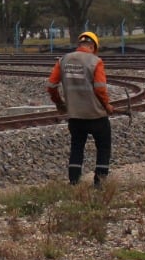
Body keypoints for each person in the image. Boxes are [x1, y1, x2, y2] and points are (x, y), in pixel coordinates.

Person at [46, 30, 115, 186]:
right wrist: (107, 105)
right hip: (96, 115)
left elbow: (51, 86)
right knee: (103, 147)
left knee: (77, 147)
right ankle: (99, 182)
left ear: (80, 44)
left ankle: (74, 182)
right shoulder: (96, 61)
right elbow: (100, 88)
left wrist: (60, 104)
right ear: (93, 46)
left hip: (75, 117)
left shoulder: (63, 60)